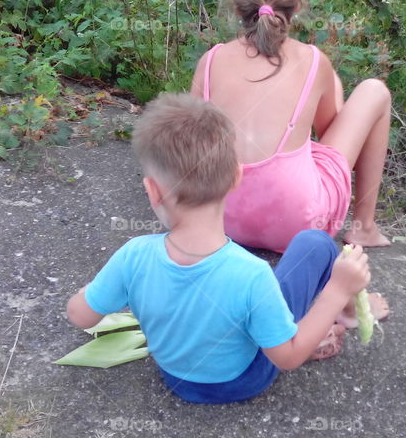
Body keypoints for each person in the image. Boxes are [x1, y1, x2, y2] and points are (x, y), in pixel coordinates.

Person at [65, 93, 373, 404]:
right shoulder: (251, 274)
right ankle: (342, 316)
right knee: (315, 243)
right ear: (236, 176)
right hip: (245, 380)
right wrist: (337, 290)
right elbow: (287, 358)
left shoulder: (133, 256)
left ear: (153, 190)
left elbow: (80, 316)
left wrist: (92, 291)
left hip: (176, 379)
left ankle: (311, 324)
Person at [191, 0, 393, 256]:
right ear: (297, 5)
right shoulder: (312, 60)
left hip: (219, 219)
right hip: (297, 227)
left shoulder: (210, 61)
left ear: (235, 6)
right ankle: (364, 227)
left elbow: (191, 145)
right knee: (374, 90)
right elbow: (329, 139)